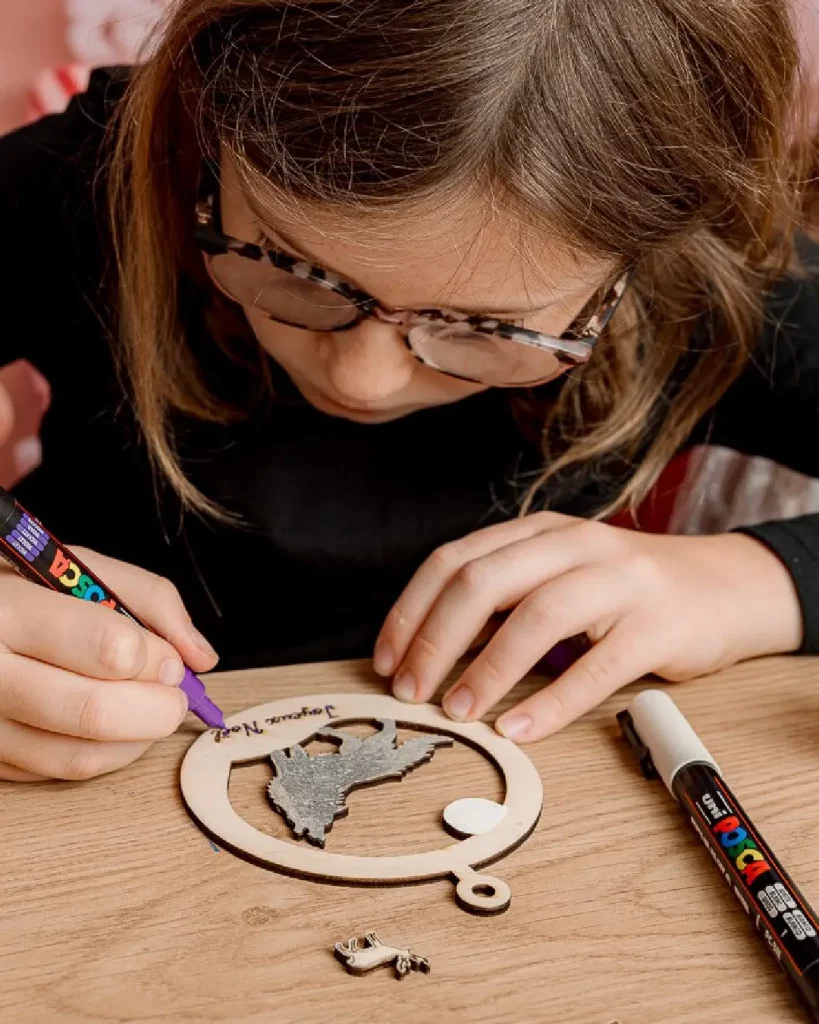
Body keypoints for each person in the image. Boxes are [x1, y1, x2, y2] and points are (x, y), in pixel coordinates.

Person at [0, 0, 818, 783]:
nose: (362, 378)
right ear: (212, 132)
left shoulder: (717, 285)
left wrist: (754, 581)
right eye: (290, 268)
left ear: (636, 266)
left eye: (484, 329)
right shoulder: (91, 172)